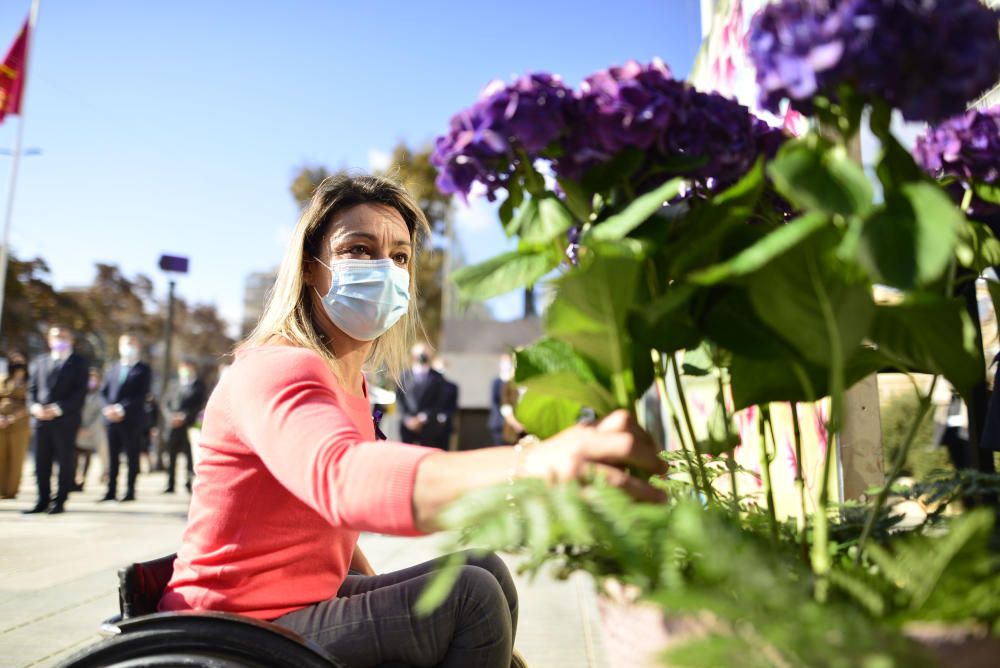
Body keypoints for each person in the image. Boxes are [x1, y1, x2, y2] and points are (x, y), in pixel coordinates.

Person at [158, 173, 664, 668]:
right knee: (470, 599)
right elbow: (344, 478)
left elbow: (331, 532)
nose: (384, 268)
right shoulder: (277, 364)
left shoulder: (350, 384)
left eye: (399, 256)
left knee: (480, 568)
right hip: (229, 631)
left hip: (297, 608)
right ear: (310, 268)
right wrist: (532, 465)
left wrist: (388, 599)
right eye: (358, 250)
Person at [24, 326, 89, 514]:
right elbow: (32, 390)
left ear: (71, 340)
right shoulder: (40, 361)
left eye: (63, 335)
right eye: (55, 336)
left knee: (64, 461)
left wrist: (57, 409)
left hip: (65, 420)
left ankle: (59, 500)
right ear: (49, 340)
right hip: (41, 420)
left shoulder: (79, 363)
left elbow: (79, 393)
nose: (59, 339)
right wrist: (35, 408)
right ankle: (42, 499)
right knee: (41, 462)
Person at [100, 334, 152, 502]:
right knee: (112, 457)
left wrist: (121, 408)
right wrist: (107, 408)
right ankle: (111, 491)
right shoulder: (113, 367)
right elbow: (104, 392)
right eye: (125, 343)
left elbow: (141, 394)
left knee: (131, 457)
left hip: (131, 420)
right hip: (111, 420)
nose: (128, 346)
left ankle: (130, 491)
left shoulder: (143, 369)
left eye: (132, 343)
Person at [396, 342, 454, 449]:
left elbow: (439, 402)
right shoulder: (404, 376)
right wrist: (408, 419)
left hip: (428, 427)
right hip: (407, 427)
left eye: (425, 354)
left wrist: (422, 418)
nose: (422, 357)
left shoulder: (437, 377)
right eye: (419, 354)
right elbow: (400, 400)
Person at [162, 360, 206, 493]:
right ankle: (170, 483)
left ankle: (188, 482)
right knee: (171, 456)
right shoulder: (174, 384)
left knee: (189, 455)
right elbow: (165, 403)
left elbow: (198, 404)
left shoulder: (198, 386)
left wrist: (185, 417)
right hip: (172, 425)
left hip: (188, 425)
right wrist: (171, 417)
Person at [0, 352, 31, 499]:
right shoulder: (3, 380)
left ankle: (11, 490)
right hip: (1, 425)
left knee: (16, 458)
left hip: (20, 425)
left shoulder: (29, 382)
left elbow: (30, 403)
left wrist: (13, 417)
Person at [73, 368, 106, 492]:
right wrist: (78, 426)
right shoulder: (80, 392)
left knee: (87, 455)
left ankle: (83, 479)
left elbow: (100, 414)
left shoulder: (100, 395)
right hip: (77, 429)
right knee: (74, 456)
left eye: (94, 378)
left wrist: (89, 428)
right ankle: (74, 479)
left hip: (92, 431)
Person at [488, 352, 525, 446]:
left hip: (516, 424)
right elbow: (496, 402)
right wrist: (507, 419)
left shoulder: (516, 382)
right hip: (500, 423)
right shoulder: (497, 382)